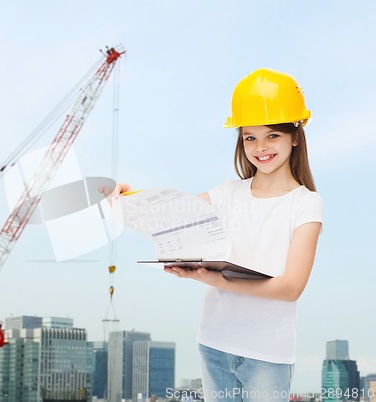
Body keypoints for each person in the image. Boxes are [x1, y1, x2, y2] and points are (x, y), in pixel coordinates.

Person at [113, 68, 323, 401]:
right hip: (214, 345)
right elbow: (168, 214)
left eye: (273, 136)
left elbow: (291, 287)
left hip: (268, 355)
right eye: (249, 137)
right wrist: (125, 199)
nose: (260, 147)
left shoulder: (306, 204)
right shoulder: (226, 193)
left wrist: (220, 281)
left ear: (295, 135)